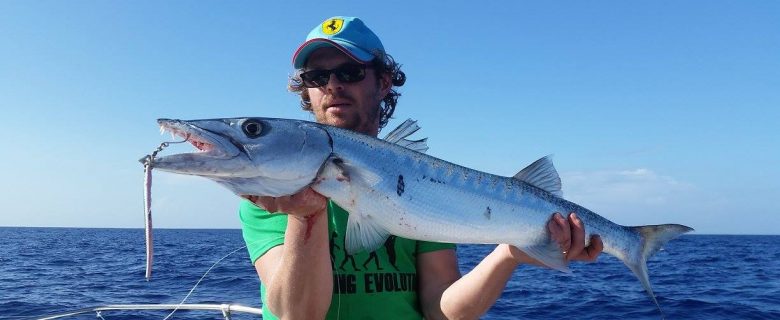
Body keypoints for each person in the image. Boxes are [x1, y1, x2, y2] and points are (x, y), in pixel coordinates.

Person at [240, 16, 604, 320]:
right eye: (316, 78)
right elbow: (297, 315)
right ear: (306, 91)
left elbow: (440, 308)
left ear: (383, 82)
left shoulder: (422, 186)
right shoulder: (270, 193)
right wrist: (304, 217)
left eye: (349, 72)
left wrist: (510, 253)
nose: (332, 85)